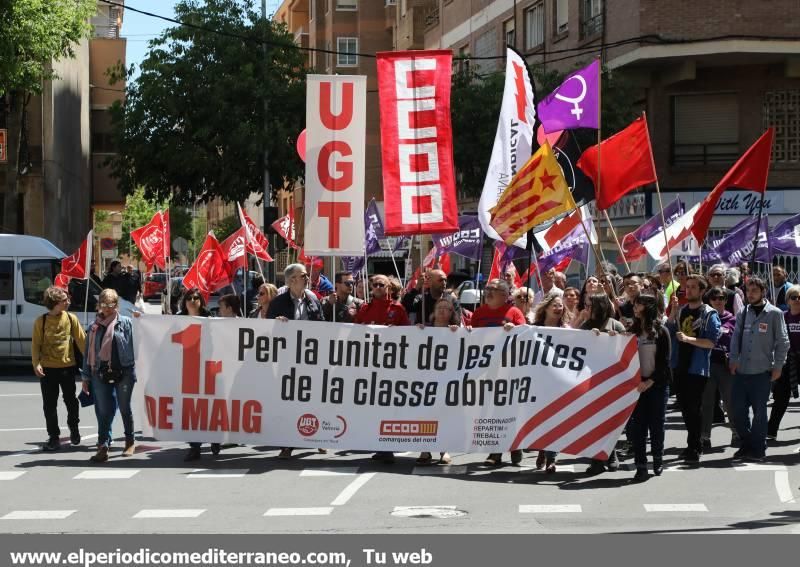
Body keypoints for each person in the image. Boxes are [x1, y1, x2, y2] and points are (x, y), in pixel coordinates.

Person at [268, 264, 325, 459]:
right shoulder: (278, 302)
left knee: (313, 400)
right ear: (292, 280)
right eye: (303, 275)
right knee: (289, 402)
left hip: (311, 360)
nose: (307, 278)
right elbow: (267, 328)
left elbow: (323, 325)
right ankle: (287, 443)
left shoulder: (313, 299)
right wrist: (277, 323)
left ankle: (318, 439)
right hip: (287, 360)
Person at [729, 277, 790, 461]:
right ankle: (746, 443)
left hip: (762, 372)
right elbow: (735, 338)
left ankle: (758, 448)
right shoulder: (743, 312)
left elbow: (783, 342)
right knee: (737, 411)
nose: (750, 294)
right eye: (748, 290)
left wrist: (778, 366)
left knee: (759, 413)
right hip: (741, 371)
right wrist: (733, 359)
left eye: (755, 290)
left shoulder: (775, 313)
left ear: (763, 292)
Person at [355, 273, 411, 464]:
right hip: (370, 366)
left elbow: (408, 335)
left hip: (391, 366)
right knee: (372, 406)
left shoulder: (398, 309)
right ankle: (378, 444)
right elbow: (354, 333)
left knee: (388, 407)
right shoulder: (365, 308)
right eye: (374, 284)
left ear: (389, 288)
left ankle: (387, 447)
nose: (377, 287)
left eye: (381, 284)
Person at [666, 274, 721, 464]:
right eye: (687, 287)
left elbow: (711, 342)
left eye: (693, 287)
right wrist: (673, 312)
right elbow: (668, 330)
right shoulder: (681, 311)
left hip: (697, 368)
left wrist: (689, 339)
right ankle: (691, 444)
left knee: (693, 408)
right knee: (685, 409)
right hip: (680, 366)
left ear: (702, 291)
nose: (688, 290)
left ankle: (695, 446)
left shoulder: (709, 314)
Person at [471, 279, 526, 467]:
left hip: (510, 368)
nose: (488, 292)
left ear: (504, 294)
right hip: (487, 369)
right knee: (490, 409)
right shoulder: (478, 313)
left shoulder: (514, 312)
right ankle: (495, 451)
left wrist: (515, 330)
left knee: (508, 408)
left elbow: (526, 334)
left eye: (492, 289)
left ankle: (514, 446)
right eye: (487, 289)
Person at [81, 289, 136, 463]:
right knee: (103, 411)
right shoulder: (93, 327)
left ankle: (129, 440)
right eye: (103, 305)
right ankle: (103, 446)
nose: (106, 309)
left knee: (125, 407)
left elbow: (137, 345)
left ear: (116, 305)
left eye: (110, 305)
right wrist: (86, 377)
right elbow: (87, 354)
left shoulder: (126, 323)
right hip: (99, 372)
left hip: (124, 371)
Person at [31, 286, 86, 451]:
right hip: (47, 369)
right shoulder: (41, 321)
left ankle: (74, 428)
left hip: (67, 368)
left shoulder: (71, 318)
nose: (68, 302)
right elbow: (35, 345)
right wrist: (36, 363)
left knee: (71, 401)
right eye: (64, 300)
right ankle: (53, 437)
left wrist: (91, 363)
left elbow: (82, 342)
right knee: (49, 405)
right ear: (55, 303)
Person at [581, 293, 625, 475]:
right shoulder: (585, 326)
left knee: (610, 421)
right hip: (591, 382)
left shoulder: (615, 325)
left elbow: (627, 351)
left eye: (589, 306)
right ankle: (597, 460)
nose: (586, 309)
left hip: (612, 381)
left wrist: (615, 339)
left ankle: (611, 454)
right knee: (594, 422)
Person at [415, 298, 458, 466]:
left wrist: (461, 331)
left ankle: (444, 449)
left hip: (447, 380)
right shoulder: (423, 330)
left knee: (443, 415)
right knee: (425, 414)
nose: (442, 311)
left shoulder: (455, 331)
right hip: (426, 380)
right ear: (433, 312)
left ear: (451, 313)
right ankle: (425, 450)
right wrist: (416, 333)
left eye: (446, 308)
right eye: (439, 307)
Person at [176, 288, 218, 461]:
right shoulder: (177, 320)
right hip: (188, 369)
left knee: (210, 406)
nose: (192, 300)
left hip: (210, 367)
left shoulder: (211, 320)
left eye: (196, 298)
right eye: (189, 298)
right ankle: (194, 446)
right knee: (191, 408)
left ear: (201, 301)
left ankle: (215, 438)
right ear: (184, 302)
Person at [531, 293, 571, 473]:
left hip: (558, 383)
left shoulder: (567, 329)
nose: (558, 308)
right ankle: (541, 449)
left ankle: (551, 458)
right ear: (545, 308)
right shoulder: (532, 329)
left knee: (555, 419)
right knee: (541, 419)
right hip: (538, 381)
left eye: (560, 305)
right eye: (554, 305)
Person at [701, 287, 739, 451]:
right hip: (707, 365)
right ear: (709, 301)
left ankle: (737, 433)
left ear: (725, 300)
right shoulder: (703, 318)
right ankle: (704, 437)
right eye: (714, 298)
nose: (718, 300)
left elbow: (738, 343)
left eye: (721, 298)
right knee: (707, 403)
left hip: (726, 367)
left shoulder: (734, 319)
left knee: (730, 402)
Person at [768, 284, 800, 440]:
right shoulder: (782, 317)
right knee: (780, 397)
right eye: (794, 297)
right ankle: (771, 431)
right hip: (787, 361)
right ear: (788, 300)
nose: (797, 300)